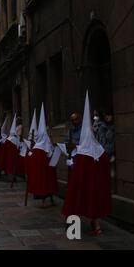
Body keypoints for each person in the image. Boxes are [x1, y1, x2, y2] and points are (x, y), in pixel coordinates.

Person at [62, 91, 112, 236]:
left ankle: (94, 221)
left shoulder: (96, 146)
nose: (75, 122)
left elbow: (103, 159)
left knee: (92, 198)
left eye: (77, 120)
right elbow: (68, 147)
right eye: (73, 120)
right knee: (76, 196)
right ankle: (73, 225)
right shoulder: (71, 134)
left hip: (92, 179)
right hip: (77, 173)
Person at [26, 104, 57, 207]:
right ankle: (46, 200)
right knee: (45, 184)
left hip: (45, 171)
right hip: (42, 172)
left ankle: (47, 199)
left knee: (45, 183)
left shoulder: (39, 146)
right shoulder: (41, 146)